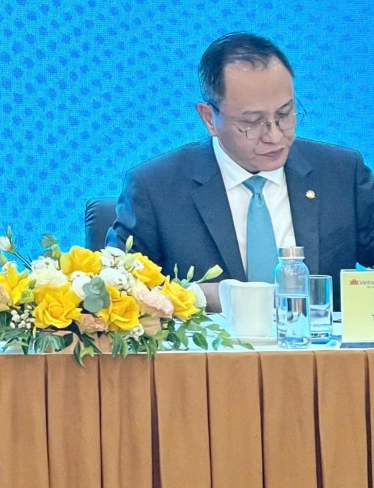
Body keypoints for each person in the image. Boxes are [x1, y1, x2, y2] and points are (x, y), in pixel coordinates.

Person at [109, 32, 374, 307]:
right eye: (252, 122)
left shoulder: (342, 173)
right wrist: (197, 296)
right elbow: (115, 294)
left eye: (284, 114)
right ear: (209, 118)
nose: (274, 136)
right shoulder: (155, 188)